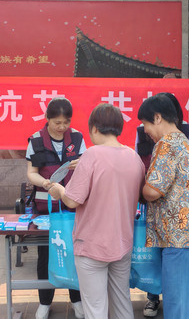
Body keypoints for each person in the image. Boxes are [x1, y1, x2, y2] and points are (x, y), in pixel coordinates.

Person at [48, 103, 145, 319]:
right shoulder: (133, 157)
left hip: (92, 245)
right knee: (121, 301)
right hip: (123, 243)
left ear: (93, 128)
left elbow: (72, 200)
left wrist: (59, 190)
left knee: (95, 307)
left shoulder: (91, 155)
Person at [138, 93, 189, 319]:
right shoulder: (184, 142)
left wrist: (141, 187)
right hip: (188, 236)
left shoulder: (166, 144)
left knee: (178, 304)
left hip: (178, 238)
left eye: (146, 123)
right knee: (186, 302)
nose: (146, 130)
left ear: (157, 117)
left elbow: (152, 191)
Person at [25, 97, 85, 319]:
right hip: (46, 210)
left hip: (72, 207)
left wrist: (82, 164)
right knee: (45, 255)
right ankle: (44, 302)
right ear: (47, 119)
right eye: (57, 122)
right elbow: (31, 172)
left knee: (74, 254)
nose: (62, 127)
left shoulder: (77, 138)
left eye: (66, 122)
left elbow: (88, 167)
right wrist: (45, 183)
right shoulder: (36, 140)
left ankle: (76, 300)